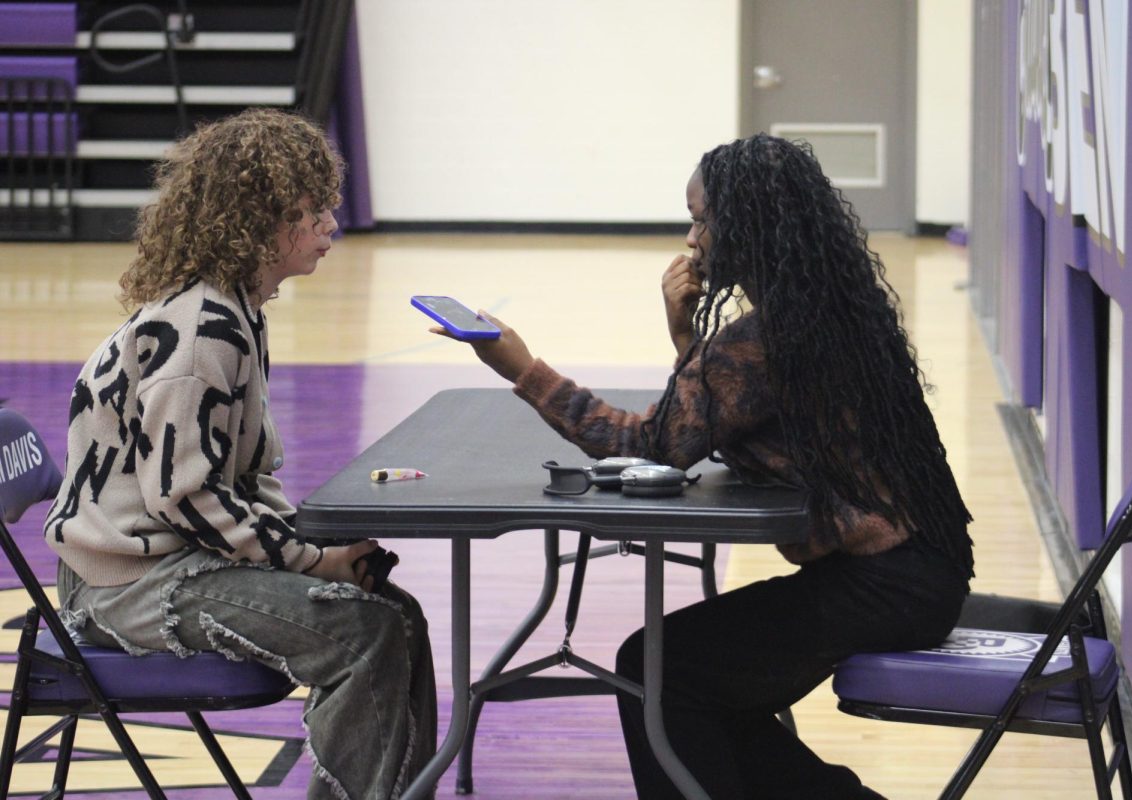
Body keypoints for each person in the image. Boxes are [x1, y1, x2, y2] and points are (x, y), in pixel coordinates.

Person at [436, 133, 973, 799]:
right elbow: (711, 420)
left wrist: (518, 367)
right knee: (701, 689)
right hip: (922, 571)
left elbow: (649, 445)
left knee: (654, 669)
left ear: (747, 227)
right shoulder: (822, 315)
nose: (692, 239)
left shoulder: (766, 341)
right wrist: (687, 336)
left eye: (702, 219)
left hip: (883, 587)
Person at [44, 109, 437, 800]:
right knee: (366, 630)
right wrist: (313, 560)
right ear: (259, 221)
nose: (330, 229)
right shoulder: (203, 332)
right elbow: (187, 497)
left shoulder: (233, 307)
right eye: (312, 213)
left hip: (168, 558)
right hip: (129, 586)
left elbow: (235, 477)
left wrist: (310, 542)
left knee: (395, 613)